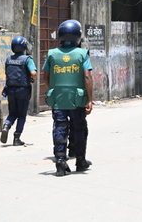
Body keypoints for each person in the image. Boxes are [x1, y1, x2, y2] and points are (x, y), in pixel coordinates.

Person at [42, 20, 93, 177]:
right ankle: (80, 160)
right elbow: (87, 76)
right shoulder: (82, 54)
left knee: (60, 128)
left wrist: (54, 89)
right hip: (77, 99)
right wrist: (90, 99)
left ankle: (60, 161)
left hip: (58, 99)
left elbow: (46, 76)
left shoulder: (52, 54)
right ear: (78, 36)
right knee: (79, 128)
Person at [0, 36, 37, 146]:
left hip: (11, 90)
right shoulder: (27, 59)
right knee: (21, 115)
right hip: (23, 90)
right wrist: (33, 79)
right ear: (23, 46)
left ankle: (6, 125)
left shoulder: (8, 59)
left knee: (12, 113)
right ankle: (17, 138)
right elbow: (33, 73)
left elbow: (7, 73)